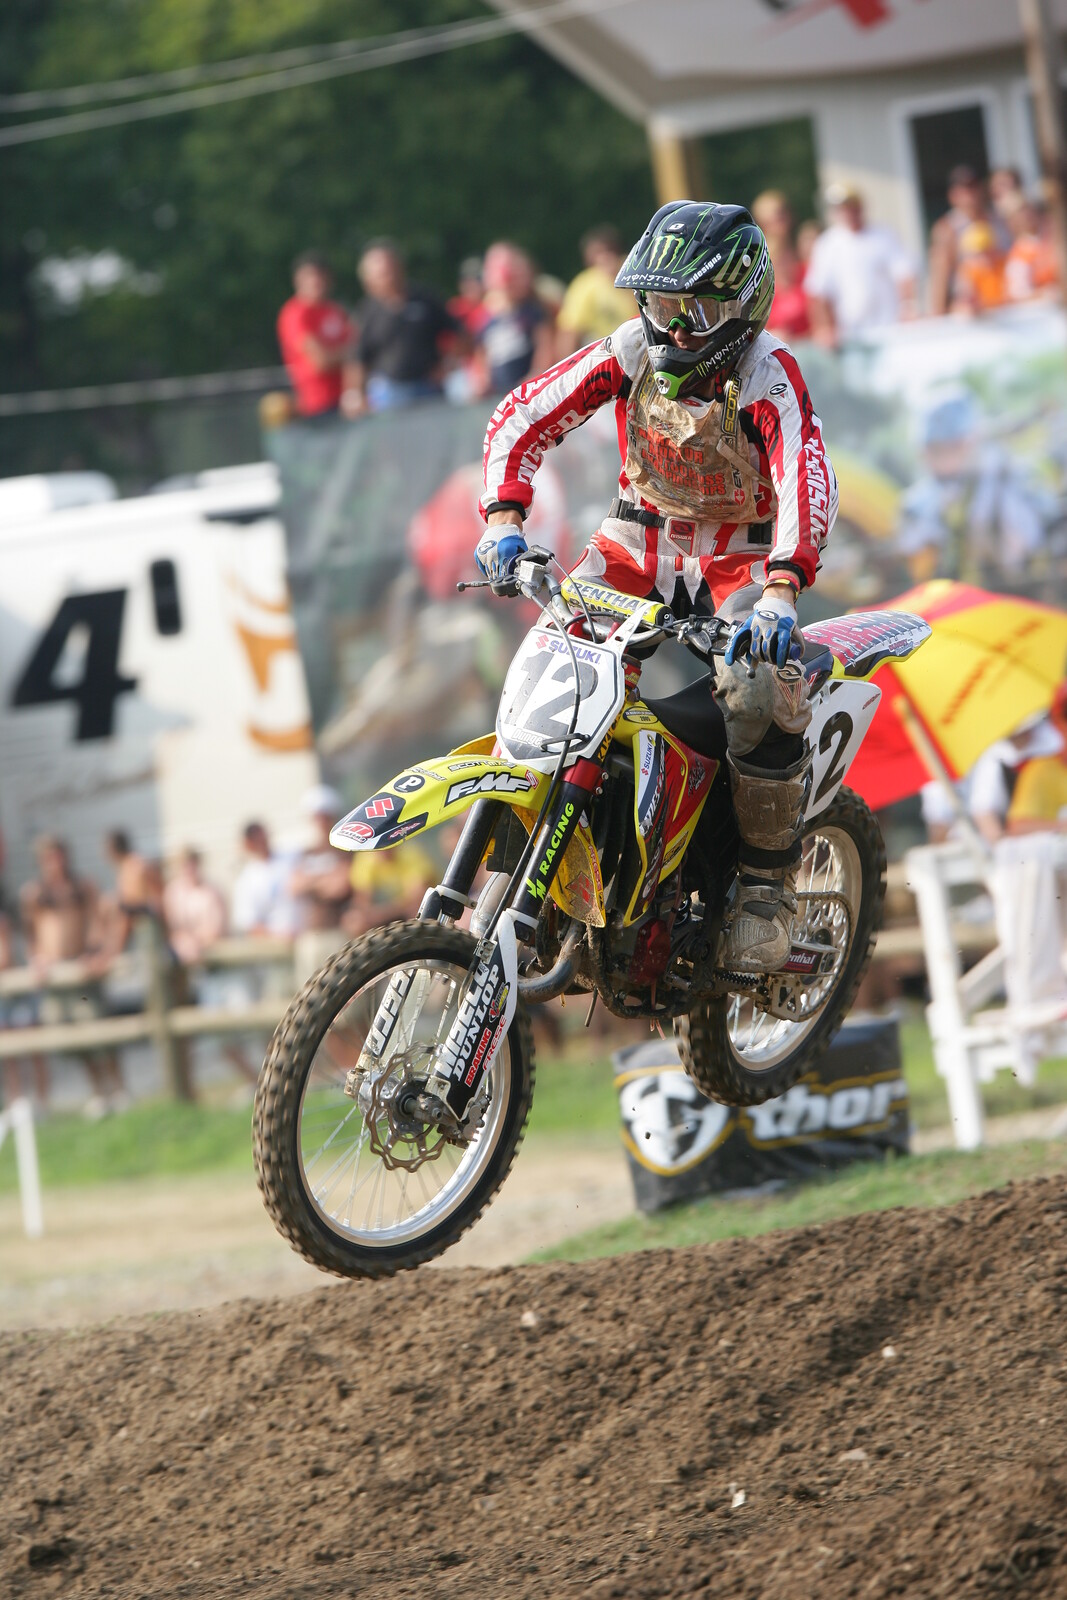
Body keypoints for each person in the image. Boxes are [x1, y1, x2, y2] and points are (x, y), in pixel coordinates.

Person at [475, 199, 839, 972]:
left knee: (758, 685)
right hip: (634, 540)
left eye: (696, 308)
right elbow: (522, 413)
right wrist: (504, 519)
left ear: (740, 307)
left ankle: (765, 891)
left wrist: (780, 590)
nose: (674, 326)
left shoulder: (767, 372)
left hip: (737, 560)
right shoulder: (629, 348)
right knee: (552, 663)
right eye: (663, 303)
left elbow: (805, 475)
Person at [21, 836, 127, 1117]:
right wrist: (36, 960)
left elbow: (98, 922)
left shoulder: (83, 887)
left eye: (60, 856)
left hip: (82, 973)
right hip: (55, 977)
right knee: (71, 1038)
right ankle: (98, 1091)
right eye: (50, 858)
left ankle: (119, 1088)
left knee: (98, 1030)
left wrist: (95, 952)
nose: (56, 863)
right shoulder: (34, 894)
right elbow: (31, 936)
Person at [345, 241, 459, 413]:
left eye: (391, 269)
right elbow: (358, 358)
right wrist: (355, 395)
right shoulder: (367, 312)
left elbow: (459, 335)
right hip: (388, 393)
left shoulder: (425, 299)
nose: (389, 277)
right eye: (382, 274)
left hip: (428, 388)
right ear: (369, 280)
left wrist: (449, 364)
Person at [805, 184, 916, 345]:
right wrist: (824, 328)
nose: (847, 212)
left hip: (891, 329)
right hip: (850, 337)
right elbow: (818, 292)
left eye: (850, 206)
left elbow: (904, 274)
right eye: (841, 208)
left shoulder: (884, 235)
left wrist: (907, 307)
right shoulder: (827, 244)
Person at [276, 251, 357, 417]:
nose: (316, 281)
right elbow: (321, 361)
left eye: (320, 275)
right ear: (297, 280)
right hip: (319, 405)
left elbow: (360, 347)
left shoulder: (336, 310)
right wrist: (352, 353)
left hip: (349, 401)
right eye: (309, 276)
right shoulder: (296, 314)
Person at [928, 167, 1010, 317]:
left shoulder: (999, 220)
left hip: (1003, 300)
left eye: (973, 187)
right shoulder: (947, 228)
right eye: (963, 189)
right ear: (952, 195)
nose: (970, 194)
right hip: (970, 307)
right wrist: (938, 314)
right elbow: (940, 275)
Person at [477, 241, 555, 394]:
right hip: (498, 390)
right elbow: (481, 351)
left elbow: (545, 346)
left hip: (527, 389)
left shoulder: (532, 309)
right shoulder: (486, 314)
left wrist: (536, 373)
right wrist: (482, 378)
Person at [555, 224, 636, 353]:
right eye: (600, 253)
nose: (605, 258)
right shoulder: (584, 284)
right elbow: (570, 332)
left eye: (609, 251)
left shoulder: (634, 276)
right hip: (605, 351)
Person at [289, 785, 353, 932]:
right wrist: (323, 880)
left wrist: (310, 881)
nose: (321, 822)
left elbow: (338, 888)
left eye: (325, 817)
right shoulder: (307, 852)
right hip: (311, 930)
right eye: (317, 817)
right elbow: (293, 887)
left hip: (338, 930)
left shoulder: (345, 851)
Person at [752, 190, 810, 339]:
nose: (782, 220)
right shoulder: (759, 270)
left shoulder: (804, 254)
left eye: (783, 213)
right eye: (776, 216)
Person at [231, 822, 299, 937]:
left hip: (307, 937)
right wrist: (279, 935)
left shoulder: (292, 856)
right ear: (248, 844)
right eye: (255, 838)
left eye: (261, 835)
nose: (261, 841)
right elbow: (250, 924)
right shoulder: (246, 880)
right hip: (279, 946)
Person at [163, 849, 227, 966]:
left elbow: (216, 930)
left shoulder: (211, 892)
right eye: (185, 865)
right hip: (181, 949)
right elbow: (171, 927)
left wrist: (195, 940)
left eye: (192, 864)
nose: (189, 869)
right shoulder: (173, 891)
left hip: (209, 951)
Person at [1004, 196, 1060, 303]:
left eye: (1027, 209)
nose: (1026, 215)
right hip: (1045, 307)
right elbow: (1019, 293)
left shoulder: (1052, 236)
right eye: (1020, 213)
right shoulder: (1019, 254)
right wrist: (1046, 293)